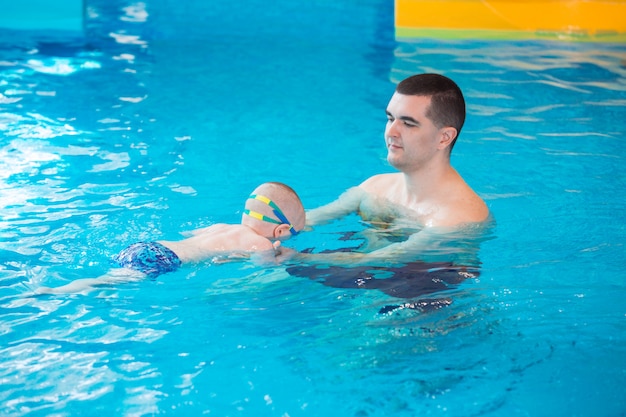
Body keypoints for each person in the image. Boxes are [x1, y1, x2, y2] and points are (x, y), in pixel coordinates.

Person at [292, 73, 490, 266]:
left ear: (444, 138)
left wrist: (296, 259)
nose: (391, 132)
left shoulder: (454, 218)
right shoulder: (376, 186)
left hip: (422, 287)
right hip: (358, 266)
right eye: (390, 119)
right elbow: (306, 221)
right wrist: (265, 229)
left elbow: (377, 261)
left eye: (408, 123)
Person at [36, 182, 306, 294]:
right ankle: (59, 291)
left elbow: (192, 235)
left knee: (118, 274)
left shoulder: (221, 226)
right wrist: (281, 256)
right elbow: (264, 269)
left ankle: (82, 289)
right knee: (111, 281)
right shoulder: (261, 243)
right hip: (164, 259)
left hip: (152, 245)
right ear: (280, 231)